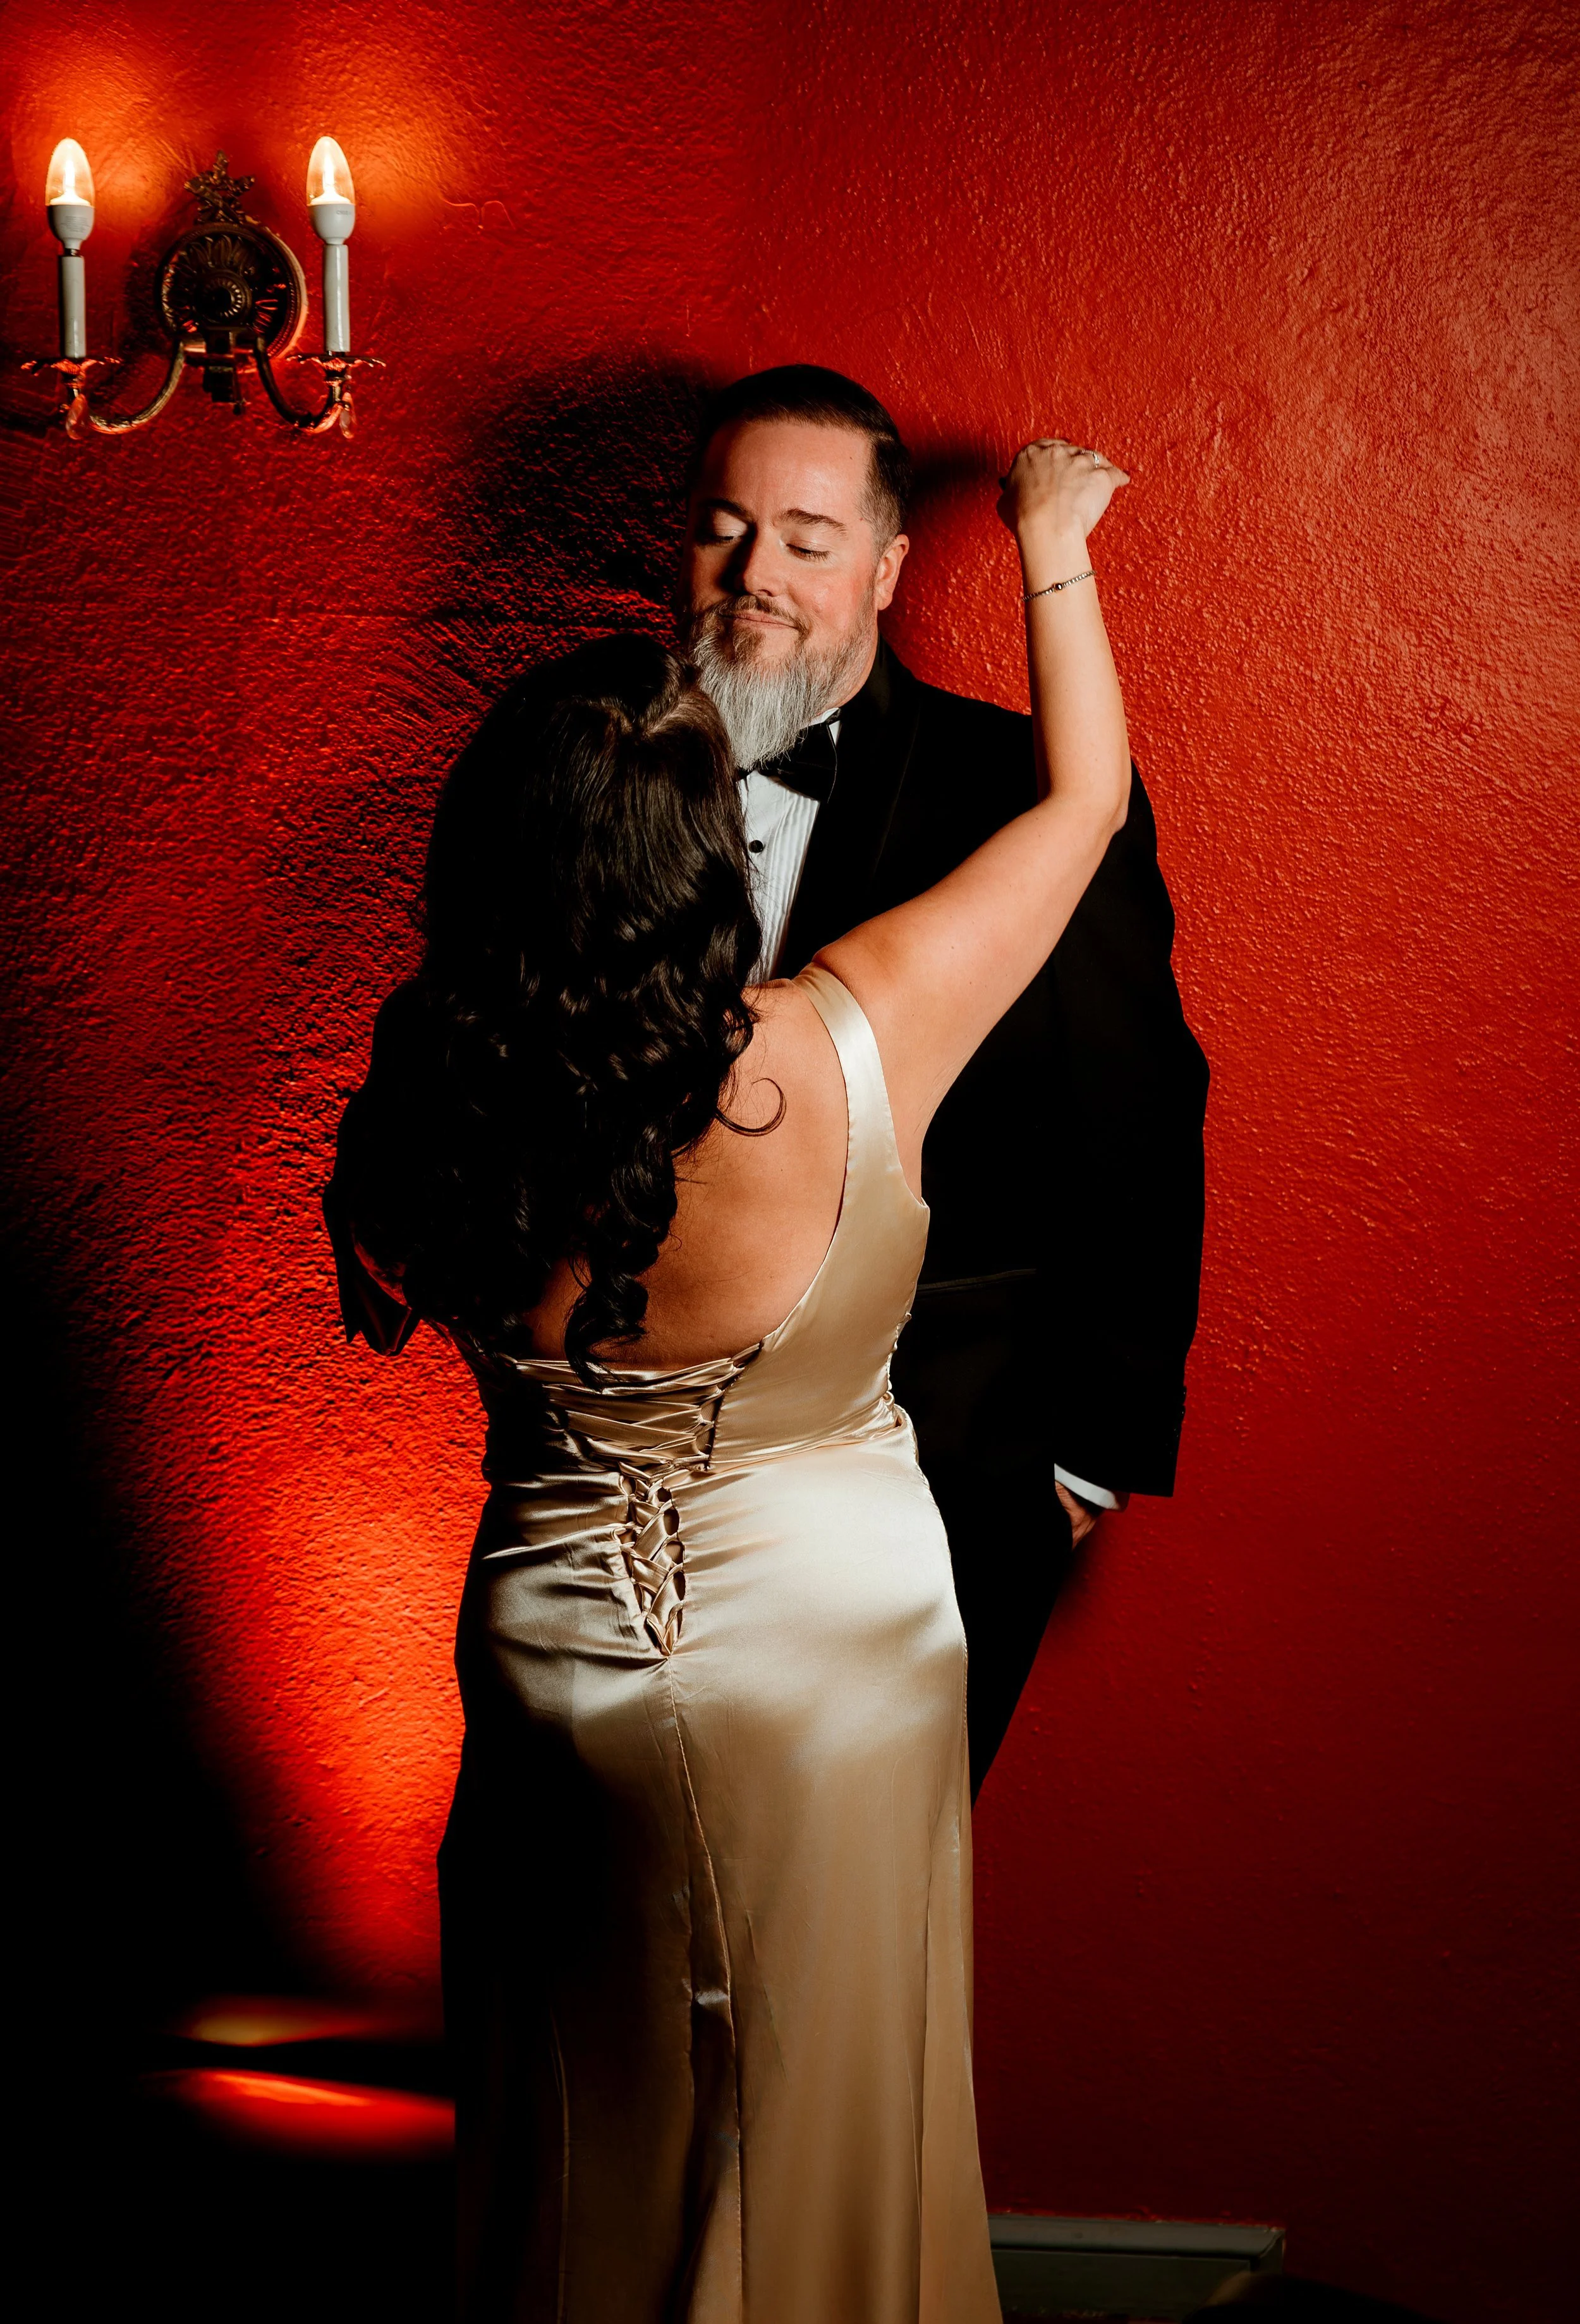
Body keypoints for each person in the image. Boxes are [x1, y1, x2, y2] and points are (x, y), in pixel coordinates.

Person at [326, 439, 1135, 2320]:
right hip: (828, 1664)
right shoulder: (847, 1042)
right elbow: (1083, 801)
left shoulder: (423, 1101)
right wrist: (1046, 548)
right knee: (822, 2090)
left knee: (575, 2084)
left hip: (544, 1651)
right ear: (700, 856)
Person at [674, 369, 1208, 1792]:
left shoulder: (1016, 786)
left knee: (851, 1921)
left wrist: (1083, 1459)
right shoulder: (594, 766)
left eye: (805, 537)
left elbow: (1136, 1106)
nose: (755, 574)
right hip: (641, 1475)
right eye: (722, 527)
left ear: (887, 566)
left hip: (937, 1468)